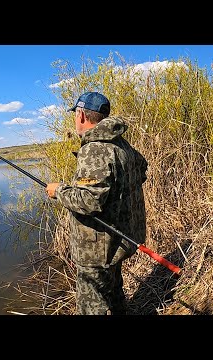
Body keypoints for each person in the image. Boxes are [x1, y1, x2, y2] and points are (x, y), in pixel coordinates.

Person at [46, 91, 148, 315]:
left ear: (81, 115)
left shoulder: (94, 149)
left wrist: (58, 191)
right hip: (118, 240)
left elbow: (89, 201)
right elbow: (141, 170)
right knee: (114, 292)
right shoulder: (122, 145)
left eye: (75, 114)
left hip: (97, 249)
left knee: (92, 306)